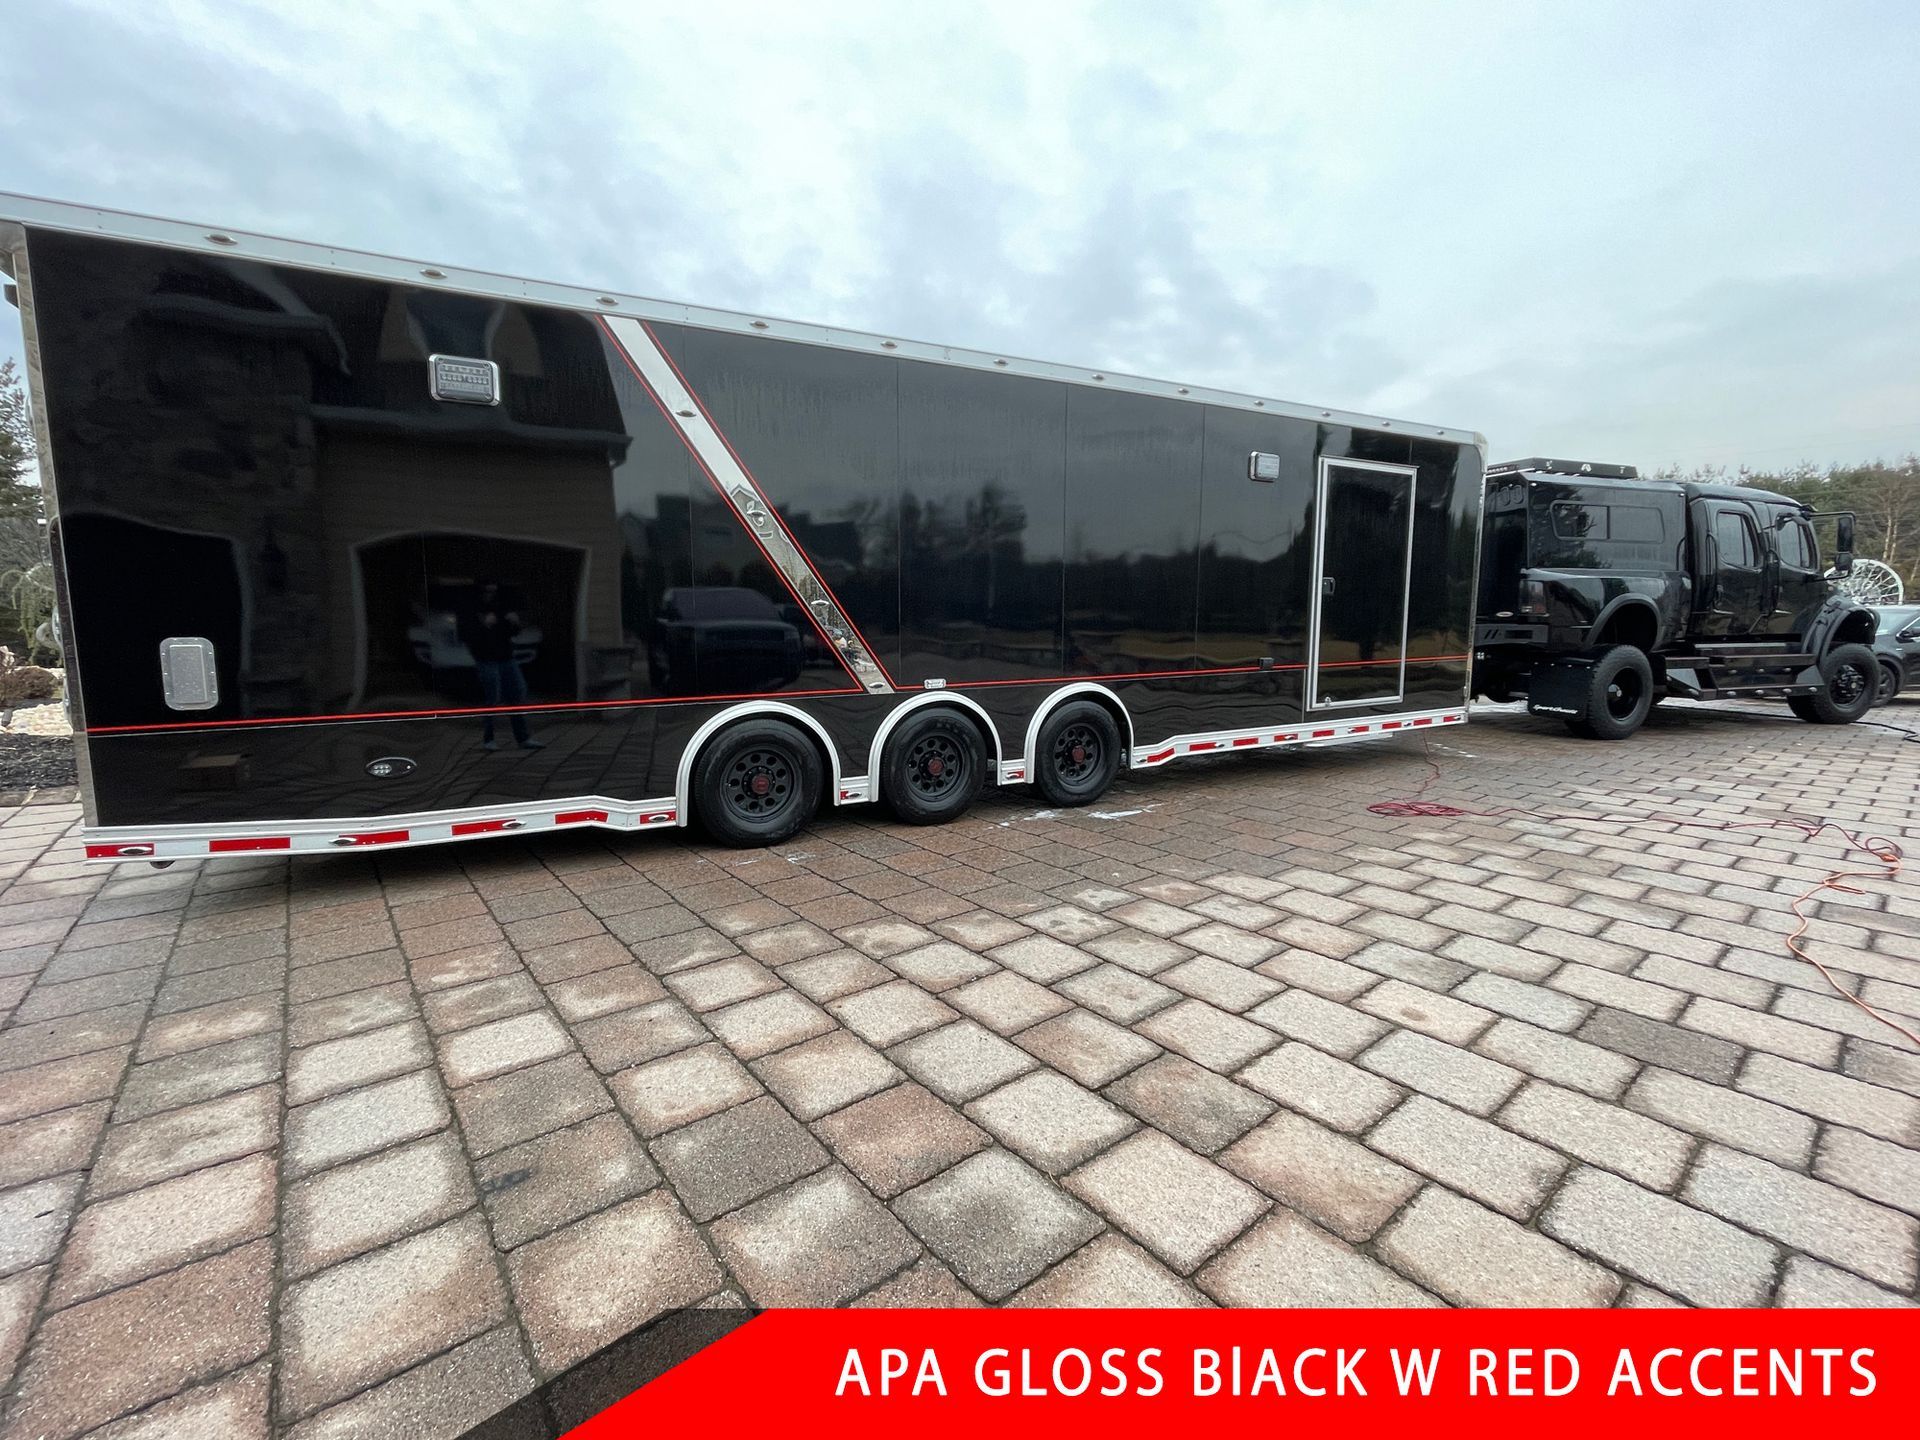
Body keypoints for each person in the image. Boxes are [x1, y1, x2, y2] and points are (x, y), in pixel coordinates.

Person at [457, 579, 544, 750]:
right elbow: (465, 635)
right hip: (486, 659)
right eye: (487, 591)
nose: (490, 594)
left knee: (516, 694)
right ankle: (488, 739)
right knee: (492, 698)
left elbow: (512, 632)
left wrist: (514, 623)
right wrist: (484, 625)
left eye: (493, 591)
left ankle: (523, 738)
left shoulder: (499, 606)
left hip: (506, 657)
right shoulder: (471, 609)